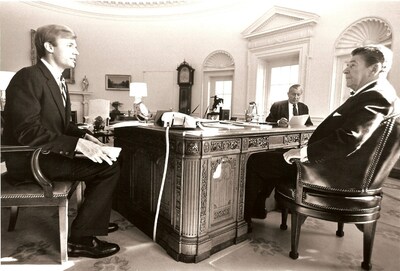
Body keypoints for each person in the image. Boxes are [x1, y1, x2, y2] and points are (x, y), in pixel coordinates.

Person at [244, 44, 400, 231]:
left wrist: (303, 152)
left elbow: (349, 138)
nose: (345, 70)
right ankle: (258, 209)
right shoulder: (379, 93)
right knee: (275, 157)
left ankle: (244, 220)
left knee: (257, 160)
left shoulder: (376, 95)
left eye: (352, 65)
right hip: (337, 168)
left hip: (329, 174)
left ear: (374, 69)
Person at [3, 24, 121, 258]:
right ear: (48, 47)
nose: (76, 51)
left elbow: (63, 126)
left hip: (45, 155)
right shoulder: (27, 77)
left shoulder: (59, 81)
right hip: (29, 160)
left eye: (75, 46)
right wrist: (78, 146)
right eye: (69, 46)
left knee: (106, 161)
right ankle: (80, 239)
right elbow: (28, 131)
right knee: (108, 169)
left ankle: (90, 221)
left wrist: (86, 137)